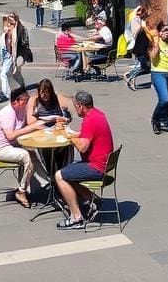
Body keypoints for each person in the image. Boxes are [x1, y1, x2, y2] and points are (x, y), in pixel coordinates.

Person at [54, 90, 114, 230]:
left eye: (75, 106)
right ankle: (93, 200)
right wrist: (76, 134)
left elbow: (82, 147)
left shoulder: (89, 120)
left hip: (96, 167)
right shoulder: (98, 114)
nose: (75, 110)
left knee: (59, 176)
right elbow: (90, 134)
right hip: (104, 163)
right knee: (70, 169)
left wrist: (71, 138)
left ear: (81, 105)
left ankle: (76, 218)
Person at [0, 87, 50, 207]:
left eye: (27, 99)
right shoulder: (8, 113)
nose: (26, 102)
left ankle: (47, 183)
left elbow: (27, 124)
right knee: (27, 156)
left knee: (33, 153)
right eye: (24, 100)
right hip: (0, 149)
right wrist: (31, 128)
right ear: (14, 101)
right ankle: (21, 191)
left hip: (13, 145)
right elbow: (10, 135)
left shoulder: (21, 109)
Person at [147, 21, 168, 135]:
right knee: (164, 98)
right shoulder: (156, 42)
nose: (167, 32)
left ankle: (164, 120)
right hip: (158, 73)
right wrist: (156, 46)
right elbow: (152, 58)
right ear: (159, 33)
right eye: (164, 30)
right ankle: (155, 120)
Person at [0, 13, 28, 102]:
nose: (9, 25)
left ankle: (7, 94)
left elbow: (19, 45)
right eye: (9, 23)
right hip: (8, 55)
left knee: (3, 74)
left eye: (11, 23)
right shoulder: (7, 32)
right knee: (16, 74)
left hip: (14, 56)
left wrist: (16, 59)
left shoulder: (20, 30)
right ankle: (22, 88)